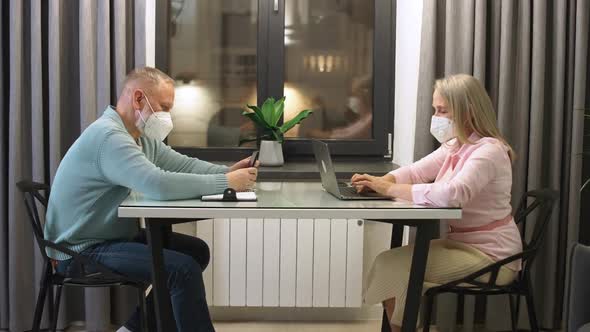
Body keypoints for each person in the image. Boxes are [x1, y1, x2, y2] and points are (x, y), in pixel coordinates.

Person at [45, 67, 257, 332]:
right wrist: (225, 184)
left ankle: (132, 329)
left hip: (105, 235)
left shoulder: (138, 136)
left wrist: (226, 172)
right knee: (182, 270)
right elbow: (158, 184)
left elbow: (180, 164)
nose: (167, 115)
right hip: (80, 249)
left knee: (195, 251)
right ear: (138, 99)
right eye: (164, 107)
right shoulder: (110, 137)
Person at [351, 74, 522, 331]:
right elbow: (417, 171)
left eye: (442, 110)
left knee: (395, 267)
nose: (436, 116)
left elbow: (454, 193)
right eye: (435, 109)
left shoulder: (489, 151)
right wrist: (379, 181)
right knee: (388, 263)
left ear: (467, 111)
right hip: (462, 245)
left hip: (492, 257)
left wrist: (389, 188)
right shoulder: (456, 146)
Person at [306, 76, 372, 139]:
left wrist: (318, 134)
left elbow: (347, 137)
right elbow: (345, 131)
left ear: (366, 96)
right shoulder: (364, 118)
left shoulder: (370, 119)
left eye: (355, 94)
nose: (352, 99)